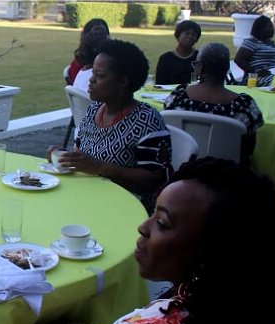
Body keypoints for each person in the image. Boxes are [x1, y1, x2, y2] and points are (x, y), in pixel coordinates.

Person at [22, 157, 275, 324]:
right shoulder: (272, 317)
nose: (143, 228)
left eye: (163, 224)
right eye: (153, 213)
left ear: (209, 253)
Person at [49, 39, 172, 213]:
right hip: (87, 196)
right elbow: (81, 154)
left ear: (122, 82)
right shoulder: (94, 110)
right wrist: (64, 157)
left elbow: (153, 179)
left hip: (127, 207)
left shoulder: (146, 121)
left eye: (99, 76)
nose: (91, 80)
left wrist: (102, 168)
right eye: (93, 73)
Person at [164, 43, 264, 167]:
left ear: (199, 67)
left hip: (181, 172)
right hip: (226, 177)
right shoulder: (244, 105)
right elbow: (249, 149)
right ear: (227, 68)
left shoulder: (178, 97)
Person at [234, 15, 275, 87]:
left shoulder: (271, 43)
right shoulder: (252, 42)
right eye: (269, 27)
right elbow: (238, 60)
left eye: (272, 26)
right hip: (259, 78)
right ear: (260, 29)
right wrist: (255, 72)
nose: (272, 29)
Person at [155, 20, 202, 85]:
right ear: (178, 36)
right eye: (187, 33)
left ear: (196, 39)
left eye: (193, 34)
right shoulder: (165, 59)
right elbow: (160, 84)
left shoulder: (200, 58)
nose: (190, 36)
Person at [68, 18, 110, 85]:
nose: (100, 37)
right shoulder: (78, 64)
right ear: (86, 37)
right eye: (96, 34)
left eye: (103, 34)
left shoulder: (110, 58)